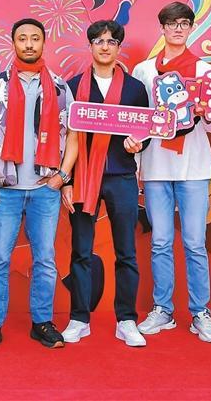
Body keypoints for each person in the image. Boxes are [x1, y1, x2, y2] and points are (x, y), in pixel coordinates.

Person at [0, 18, 78, 352]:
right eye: (22, 38)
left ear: (43, 43)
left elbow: (73, 136)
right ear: (13, 43)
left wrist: (63, 176)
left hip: (45, 188)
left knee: (45, 259)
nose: (29, 44)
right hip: (5, 188)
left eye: (35, 38)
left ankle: (42, 322)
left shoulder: (60, 87)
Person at [132, 1, 211, 343]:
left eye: (184, 23)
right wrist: (136, 163)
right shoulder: (144, 71)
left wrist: (206, 111)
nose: (177, 29)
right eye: (171, 23)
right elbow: (138, 120)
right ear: (162, 28)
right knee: (160, 242)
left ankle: (200, 312)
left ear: (191, 27)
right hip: (156, 166)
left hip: (194, 167)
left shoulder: (205, 70)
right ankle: (163, 309)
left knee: (195, 243)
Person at [62, 20, 149, 347]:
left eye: (111, 41)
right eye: (99, 41)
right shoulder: (72, 87)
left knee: (126, 251)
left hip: (121, 176)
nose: (105, 46)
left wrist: (138, 144)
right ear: (90, 46)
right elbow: (65, 138)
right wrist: (66, 181)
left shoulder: (134, 89)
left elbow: (145, 131)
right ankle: (79, 318)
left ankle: (126, 320)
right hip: (83, 177)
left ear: (118, 48)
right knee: (81, 251)